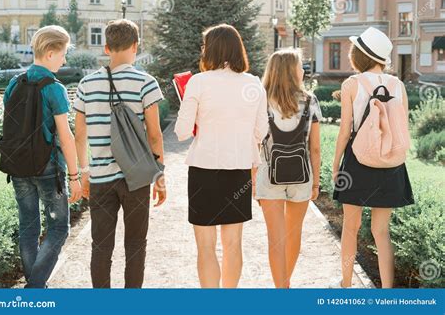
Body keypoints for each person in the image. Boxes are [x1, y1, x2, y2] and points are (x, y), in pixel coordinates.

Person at [73, 19, 166, 288]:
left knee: (100, 245)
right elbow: (155, 135)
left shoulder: (86, 85)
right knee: (136, 244)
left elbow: (80, 135)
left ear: (106, 48)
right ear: (136, 46)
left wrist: (84, 172)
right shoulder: (146, 83)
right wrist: (160, 177)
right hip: (136, 178)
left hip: (100, 177)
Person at [174, 24, 268, 288]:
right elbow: (261, 131)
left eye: (204, 46)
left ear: (211, 50)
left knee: (205, 247)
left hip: (204, 169)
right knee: (233, 243)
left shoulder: (198, 82)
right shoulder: (253, 83)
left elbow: (182, 131)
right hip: (238, 170)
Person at [331, 27, 414, 288]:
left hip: (358, 160)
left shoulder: (351, 84)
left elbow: (345, 132)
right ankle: (387, 292)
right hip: (390, 161)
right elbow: (403, 127)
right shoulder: (398, 85)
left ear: (360, 55)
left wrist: (335, 166)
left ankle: (346, 284)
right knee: (381, 232)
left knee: (350, 227)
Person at [3, 25, 82, 288]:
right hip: (49, 169)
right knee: (59, 228)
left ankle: (36, 286)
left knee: (28, 227)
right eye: (63, 54)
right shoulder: (54, 87)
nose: (65, 59)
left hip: (18, 166)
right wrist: (75, 175)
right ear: (50, 53)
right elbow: (66, 136)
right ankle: (35, 288)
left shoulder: (14, 83)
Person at [254, 48, 322, 288]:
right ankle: (285, 285)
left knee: (275, 239)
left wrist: (253, 181)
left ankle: (281, 289)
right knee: (294, 235)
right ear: (291, 71)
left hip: (269, 174)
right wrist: (316, 182)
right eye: (300, 66)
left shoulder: (260, 100)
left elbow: (253, 143)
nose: (303, 70)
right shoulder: (310, 100)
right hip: (301, 176)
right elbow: (315, 148)